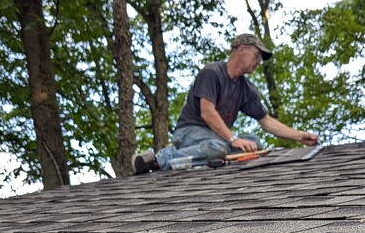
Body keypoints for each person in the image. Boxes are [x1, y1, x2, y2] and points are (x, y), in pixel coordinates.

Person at [131, 33, 319, 173]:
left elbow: (266, 121)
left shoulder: (246, 88)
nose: (258, 62)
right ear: (241, 49)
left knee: (255, 144)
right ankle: (160, 159)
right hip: (189, 132)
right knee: (218, 148)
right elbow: (207, 112)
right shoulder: (212, 73)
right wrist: (233, 139)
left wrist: (298, 136)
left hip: (217, 138)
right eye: (256, 55)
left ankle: (199, 158)